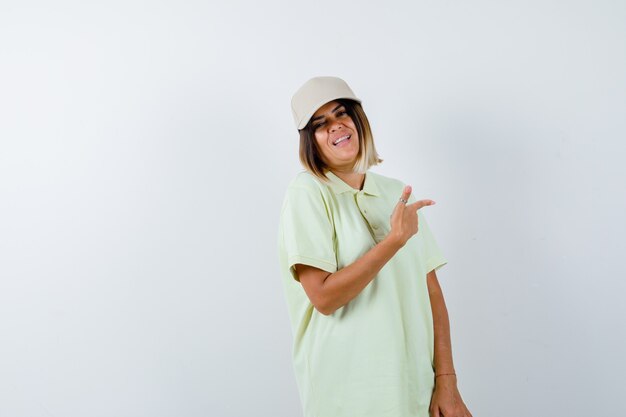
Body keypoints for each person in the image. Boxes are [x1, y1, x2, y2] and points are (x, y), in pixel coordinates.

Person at [277, 76, 472, 417]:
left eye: (342, 114)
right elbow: (323, 298)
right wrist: (393, 242)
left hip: (414, 389)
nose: (336, 127)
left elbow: (432, 295)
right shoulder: (307, 193)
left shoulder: (396, 192)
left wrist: (447, 382)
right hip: (347, 394)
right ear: (310, 141)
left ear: (358, 119)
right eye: (320, 124)